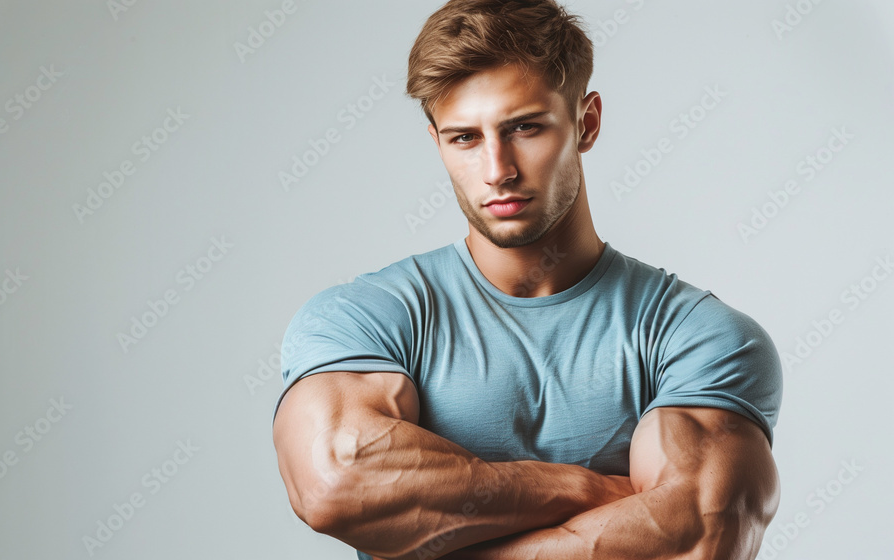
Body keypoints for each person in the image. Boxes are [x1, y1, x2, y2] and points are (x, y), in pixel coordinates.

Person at [271, 1, 784, 558]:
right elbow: (336, 484)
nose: (498, 170)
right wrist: (590, 487)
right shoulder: (364, 317)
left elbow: (697, 538)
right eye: (464, 138)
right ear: (437, 142)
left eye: (526, 128)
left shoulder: (700, 337)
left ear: (586, 123)